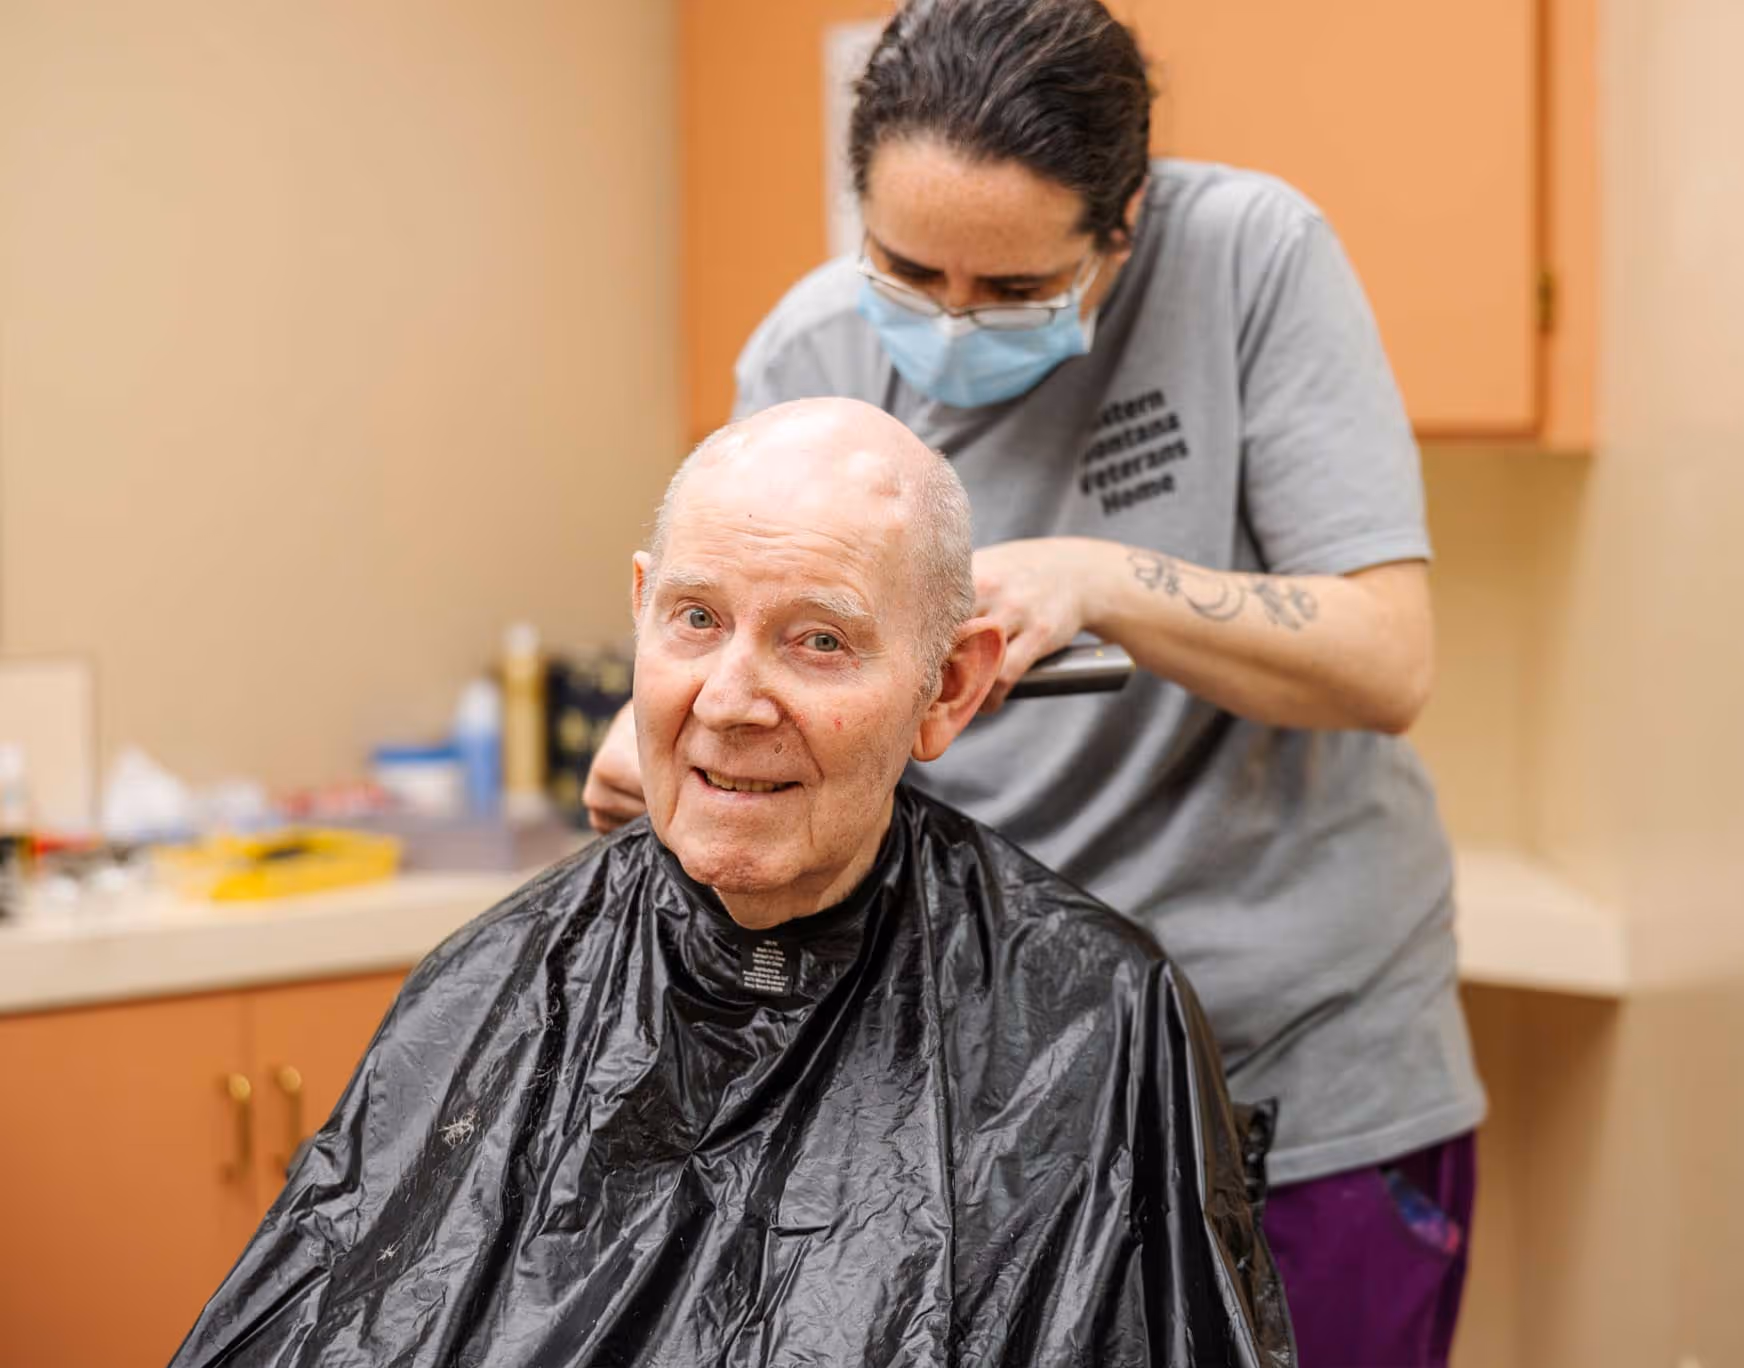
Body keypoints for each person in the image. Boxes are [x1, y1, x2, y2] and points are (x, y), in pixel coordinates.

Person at [585, 3, 1483, 1364]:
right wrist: (682, 736)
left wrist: (1099, 579)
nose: (949, 326)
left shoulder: (1250, 260)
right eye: (906, 271)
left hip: (1291, 1076)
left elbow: (1385, 657)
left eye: (1012, 293)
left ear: (1122, 227)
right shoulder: (812, 354)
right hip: (991, 1088)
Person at [169, 399, 1295, 1368]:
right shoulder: (495, 983)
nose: (729, 701)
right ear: (642, 610)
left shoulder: (1093, 1019)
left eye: (816, 641)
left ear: (948, 686)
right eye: (697, 621)